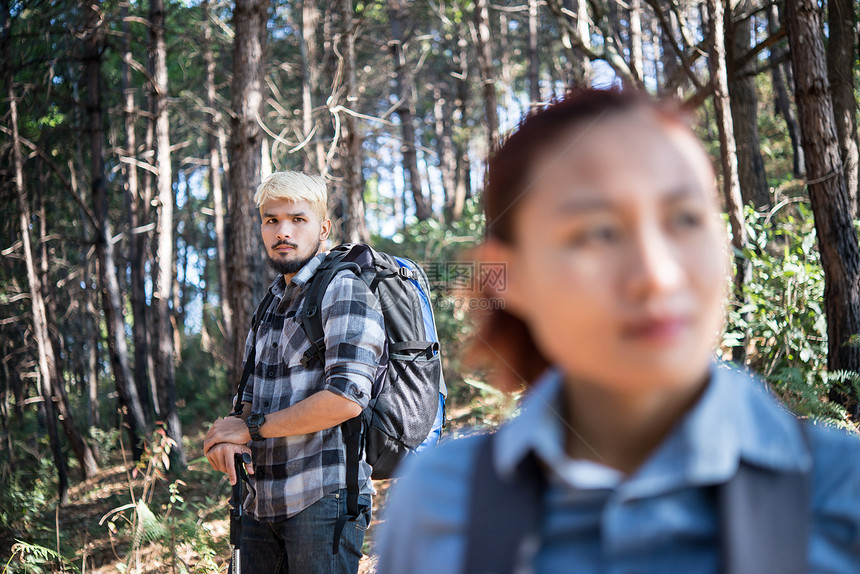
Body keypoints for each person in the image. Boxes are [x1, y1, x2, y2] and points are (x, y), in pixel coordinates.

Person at [375, 89, 860, 573]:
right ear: (508, 276)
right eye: (599, 232)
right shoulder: (442, 503)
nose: (658, 274)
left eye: (686, 219)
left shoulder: (845, 490)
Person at [203, 171, 384, 573]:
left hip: (322, 500)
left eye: (297, 219)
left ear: (323, 228)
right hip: (258, 502)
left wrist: (250, 429)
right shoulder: (270, 302)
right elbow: (247, 401)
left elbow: (346, 399)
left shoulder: (343, 289)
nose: (283, 231)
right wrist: (228, 438)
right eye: (272, 220)